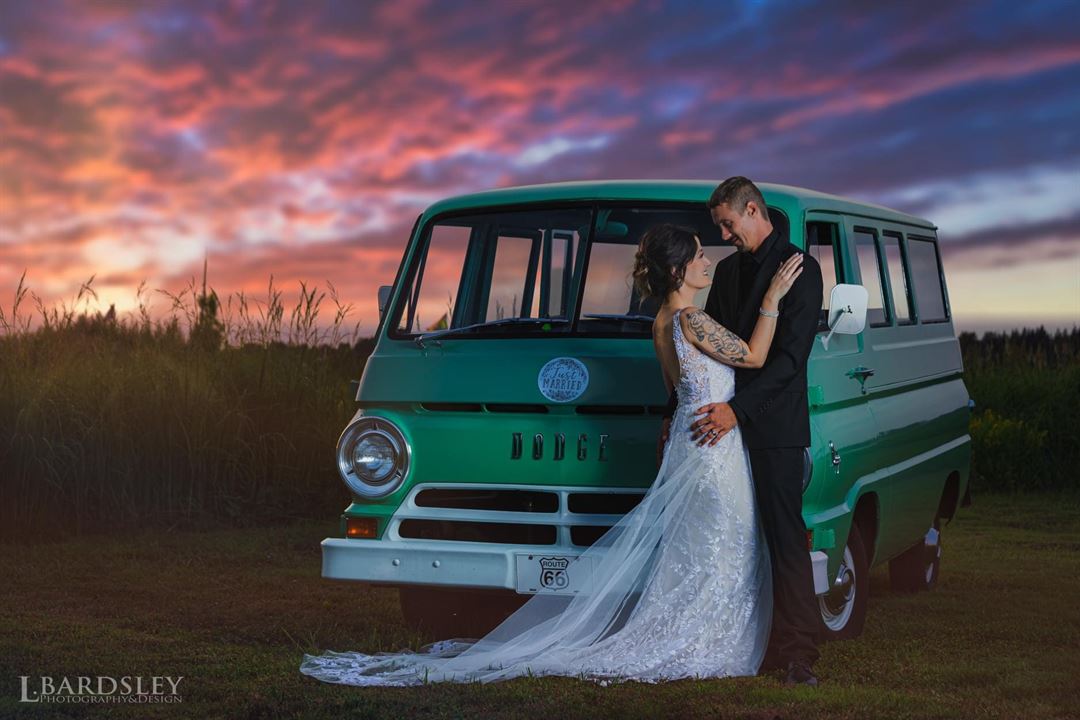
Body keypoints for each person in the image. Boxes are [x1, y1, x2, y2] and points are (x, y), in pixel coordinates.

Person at [298, 224, 804, 687]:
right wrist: (773, 299)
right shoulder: (692, 319)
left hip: (690, 438)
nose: (708, 262)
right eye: (698, 256)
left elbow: (677, 392)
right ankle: (710, 638)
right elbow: (755, 356)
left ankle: (699, 632)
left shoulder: (661, 322)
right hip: (712, 445)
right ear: (677, 271)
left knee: (699, 545)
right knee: (724, 539)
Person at [659, 176, 824, 687]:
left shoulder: (801, 269)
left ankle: (798, 652)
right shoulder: (728, 272)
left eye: (728, 225)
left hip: (772, 424)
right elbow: (706, 353)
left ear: (752, 209)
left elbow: (790, 360)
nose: (724, 236)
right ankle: (746, 638)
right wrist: (673, 411)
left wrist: (739, 411)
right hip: (719, 428)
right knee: (734, 535)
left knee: (784, 536)